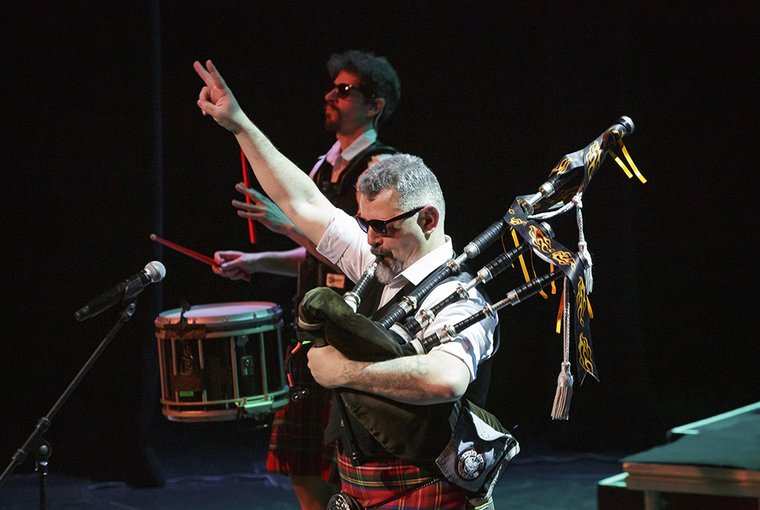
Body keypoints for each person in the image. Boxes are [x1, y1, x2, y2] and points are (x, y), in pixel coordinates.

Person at [194, 59, 498, 508]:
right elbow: (303, 202)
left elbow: (446, 379)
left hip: (431, 492)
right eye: (364, 224)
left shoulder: (463, 296)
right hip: (363, 488)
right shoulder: (379, 262)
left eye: (382, 227)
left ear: (428, 220)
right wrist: (240, 124)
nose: (370, 240)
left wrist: (346, 372)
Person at [212, 50, 401, 510]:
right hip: (311, 336)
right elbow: (316, 254)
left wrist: (287, 224)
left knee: (353, 469)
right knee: (304, 469)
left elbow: (363, 254)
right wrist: (259, 261)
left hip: (355, 336)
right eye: (332, 87)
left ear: (374, 106)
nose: (330, 96)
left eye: (345, 90)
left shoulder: (382, 168)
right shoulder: (321, 167)